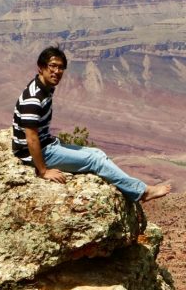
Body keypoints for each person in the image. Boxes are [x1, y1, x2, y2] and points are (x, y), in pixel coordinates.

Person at [12, 46, 171, 202]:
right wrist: (43, 171)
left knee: (97, 154)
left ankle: (137, 188)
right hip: (36, 153)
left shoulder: (44, 87)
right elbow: (31, 138)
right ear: (41, 67)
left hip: (47, 145)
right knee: (96, 161)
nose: (57, 71)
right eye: (52, 66)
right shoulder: (34, 98)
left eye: (61, 68)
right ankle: (143, 191)